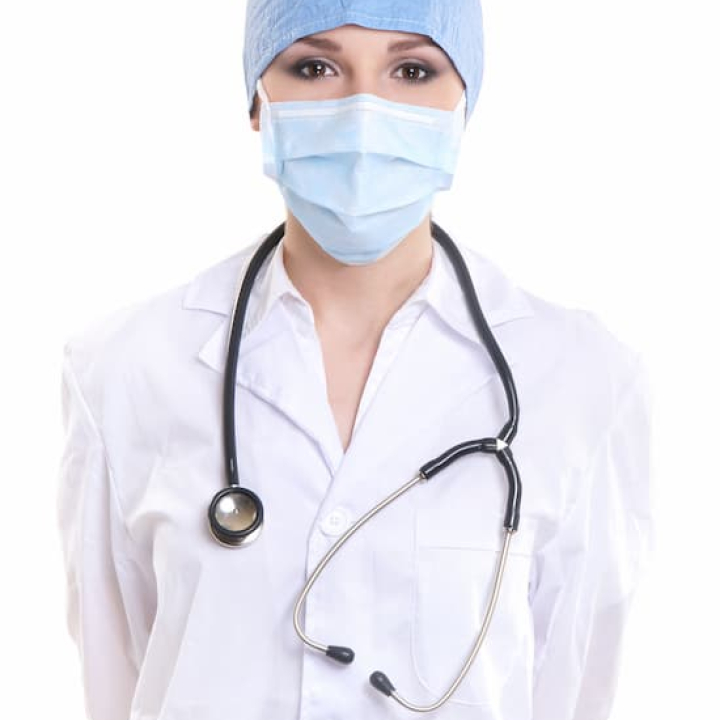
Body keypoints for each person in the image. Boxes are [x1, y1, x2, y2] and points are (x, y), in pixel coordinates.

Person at [55, 1, 654, 719]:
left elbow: (573, 687)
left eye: (413, 71)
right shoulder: (126, 370)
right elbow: (119, 684)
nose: (364, 113)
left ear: (463, 103)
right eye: (314, 67)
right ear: (258, 102)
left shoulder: (582, 379)